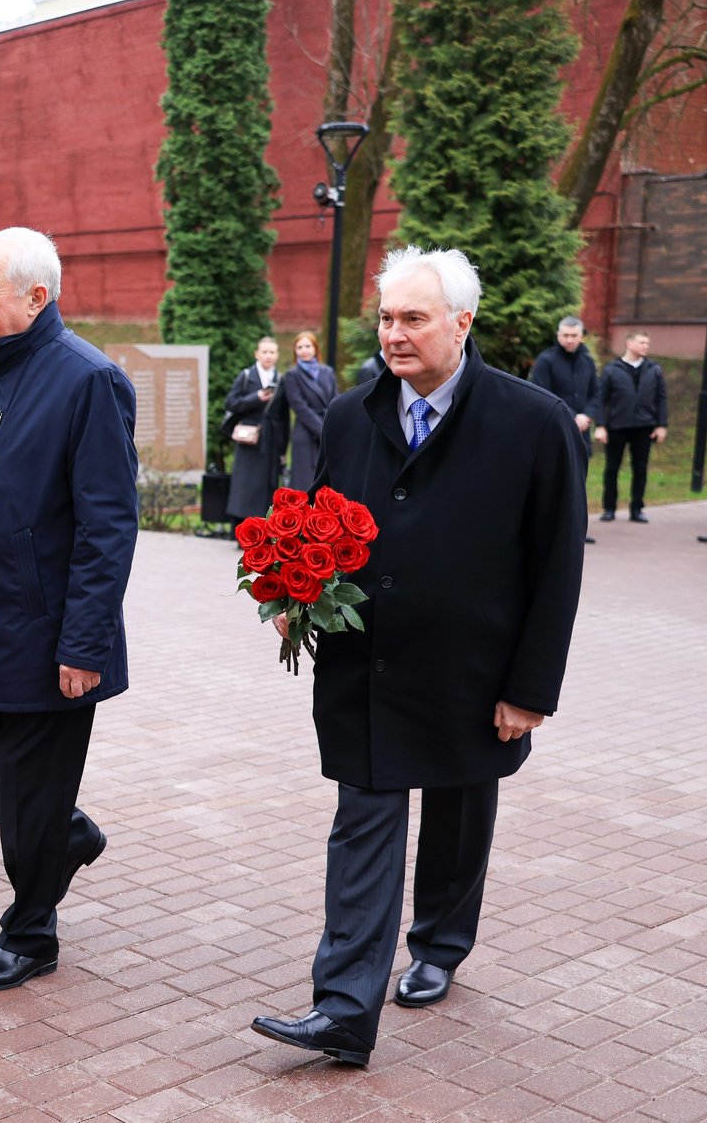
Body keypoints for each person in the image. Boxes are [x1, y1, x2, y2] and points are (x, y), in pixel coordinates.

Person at [249, 247, 585, 1068]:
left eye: (414, 319)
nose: (394, 335)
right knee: (362, 820)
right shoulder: (354, 410)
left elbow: (558, 563)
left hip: (477, 675)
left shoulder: (531, 420)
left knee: (459, 815)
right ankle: (343, 1007)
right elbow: (320, 520)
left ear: (461, 323)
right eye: (387, 319)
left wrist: (530, 688)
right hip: (368, 665)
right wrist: (297, 595)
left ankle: (438, 943)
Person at [0, 227, 139, 992]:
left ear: (36, 296)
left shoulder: (89, 380)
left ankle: (30, 935)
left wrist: (82, 643)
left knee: (28, 795)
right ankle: (65, 835)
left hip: (47, 632)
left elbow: (108, 525)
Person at [529, 316, 598, 543]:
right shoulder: (546, 361)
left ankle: (576, 529)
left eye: (574, 336)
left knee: (578, 481)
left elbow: (595, 394)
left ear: (581, 336)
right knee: (552, 480)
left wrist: (587, 414)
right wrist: (571, 416)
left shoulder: (587, 362)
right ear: (558, 335)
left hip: (582, 431)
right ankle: (550, 530)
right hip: (555, 430)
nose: (569, 340)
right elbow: (542, 393)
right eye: (565, 335)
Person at [589, 331, 667, 523]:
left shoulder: (654, 369)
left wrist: (661, 425)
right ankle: (609, 509)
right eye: (642, 342)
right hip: (617, 426)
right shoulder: (612, 369)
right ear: (629, 344)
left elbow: (661, 398)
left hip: (644, 426)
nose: (646, 346)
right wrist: (601, 425)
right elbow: (601, 398)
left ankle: (637, 509)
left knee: (640, 469)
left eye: (648, 343)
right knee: (612, 469)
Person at [224, 335, 283, 526]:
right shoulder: (247, 376)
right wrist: (255, 398)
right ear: (256, 354)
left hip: (270, 438)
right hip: (248, 438)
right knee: (245, 484)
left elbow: (283, 414)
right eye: (264, 352)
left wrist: (282, 446)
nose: (268, 356)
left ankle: (263, 529)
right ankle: (240, 528)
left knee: (266, 485)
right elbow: (231, 403)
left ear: (277, 355)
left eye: (272, 352)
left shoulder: (280, 378)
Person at [268, 331, 335, 491]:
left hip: (327, 428)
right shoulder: (292, 375)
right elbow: (300, 407)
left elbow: (335, 401)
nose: (304, 350)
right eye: (299, 347)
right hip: (306, 434)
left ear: (315, 348)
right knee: (304, 484)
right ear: (295, 351)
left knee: (328, 484)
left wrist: (332, 427)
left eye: (307, 346)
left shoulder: (327, 372)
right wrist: (322, 430)